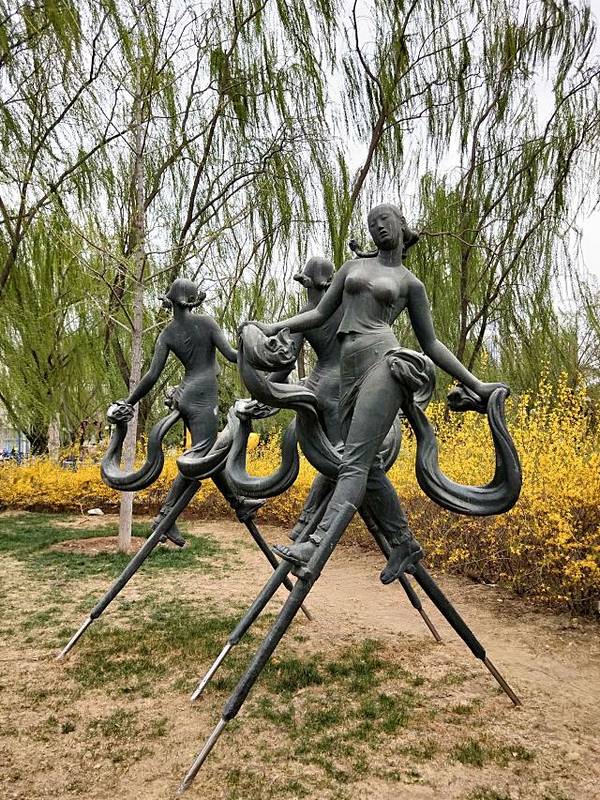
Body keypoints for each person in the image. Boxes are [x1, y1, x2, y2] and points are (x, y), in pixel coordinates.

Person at [251, 203, 504, 583]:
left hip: (384, 362)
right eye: (371, 223)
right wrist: (275, 326)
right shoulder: (352, 268)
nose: (377, 227)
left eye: (384, 220)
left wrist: (475, 384)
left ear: (401, 225)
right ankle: (403, 543)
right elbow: (319, 314)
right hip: (349, 370)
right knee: (365, 465)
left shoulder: (409, 283)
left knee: (352, 462)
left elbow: (432, 344)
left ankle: (315, 543)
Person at [118, 278, 262, 546]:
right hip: (203, 396)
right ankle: (165, 517)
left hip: (185, 394)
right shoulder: (206, 323)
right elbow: (232, 356)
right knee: (201, 458)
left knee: (207, 456)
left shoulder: (167, 333)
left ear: (171, 301)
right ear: (194, 301)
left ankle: (238, 502)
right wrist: (254, 346)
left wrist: (130, 401)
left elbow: (151, 375)